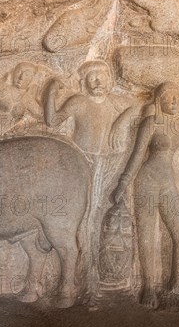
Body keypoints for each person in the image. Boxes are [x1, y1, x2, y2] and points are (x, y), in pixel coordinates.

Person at [109, 81, 179, 309]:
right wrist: (123, 183)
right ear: (158, 101)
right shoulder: (151, 123)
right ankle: (148, 286)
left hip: (167, 183)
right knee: (147, 234)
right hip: (147, 181)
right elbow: (136, 156)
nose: (174, 101)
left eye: (177, 97)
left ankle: (177, 284)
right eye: (169, 98)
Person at [43, 60, 137, 299]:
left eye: (102, 76)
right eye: (92, 77)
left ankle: (92, 274)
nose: (97, 81)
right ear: (84, 82)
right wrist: (51, 92)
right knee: (86, 216)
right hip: (82, 164)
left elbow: (140, 107)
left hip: (110, 164)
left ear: (110, 80)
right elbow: (53, 122)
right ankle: (86, 274)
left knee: (95, 216)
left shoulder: (117, 102)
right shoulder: (78, 102)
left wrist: (123, 119)